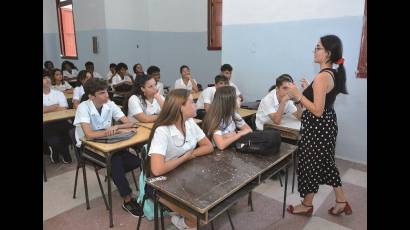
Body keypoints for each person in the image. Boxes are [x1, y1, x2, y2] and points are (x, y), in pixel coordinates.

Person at [286, 34, 351, 216]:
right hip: (326, 125)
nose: (314, 51)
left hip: (318, 127)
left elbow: (317, 110)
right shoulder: (332, 73)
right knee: (325, 163)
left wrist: (299, 95)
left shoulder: (323, 77)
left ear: (328, 53)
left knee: (311, 165)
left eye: (318, 48)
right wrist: (309, 89)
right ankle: (341, 201)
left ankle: (307, 205)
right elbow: (323, 100)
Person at [73, 78, 142, 217]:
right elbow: (89, 134)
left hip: (109, 142)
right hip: (87, 146)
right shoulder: (83, 107)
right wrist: (112, 130)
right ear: (91, 96)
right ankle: (127, 199)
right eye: (102, 93)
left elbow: (128, 123)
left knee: (137, 161)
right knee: (115, 161)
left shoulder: (110, 104)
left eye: (106, 91)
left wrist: (116, 127)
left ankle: (116, 176)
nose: (107, 95)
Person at [148, 89, 213, 229]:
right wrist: (185, 157)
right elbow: (157, 169)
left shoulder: (189, 123)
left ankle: (179, 218)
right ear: (180, 107)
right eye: (192, 102)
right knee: (196, 219)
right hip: (160, 184)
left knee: (210, 205)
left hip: (183, 174)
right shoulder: (162, 130)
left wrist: (190, 155)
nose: (195, 105)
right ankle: (179, 222)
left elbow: (208, 146)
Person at [202, 86, 253, 150]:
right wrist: (239, 133)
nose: (240, 99)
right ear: (229, 101)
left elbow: (249, 130)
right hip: (216, 154)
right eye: (236, 97)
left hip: (229, 148)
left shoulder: (234, 114)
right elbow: (221, 145)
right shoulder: (216, 118)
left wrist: (229, 135)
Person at [43, 75, 72, 163]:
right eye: (44, 80)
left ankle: (56, 149)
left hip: (60, 120)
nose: (47, 80)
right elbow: (58, 107)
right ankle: (57, 150)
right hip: (45, 123)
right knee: (54, 140)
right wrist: (54, 106)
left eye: (48, 79)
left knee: (72, 131)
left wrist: (46, 109)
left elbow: (64, 108)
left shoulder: (58, 93)